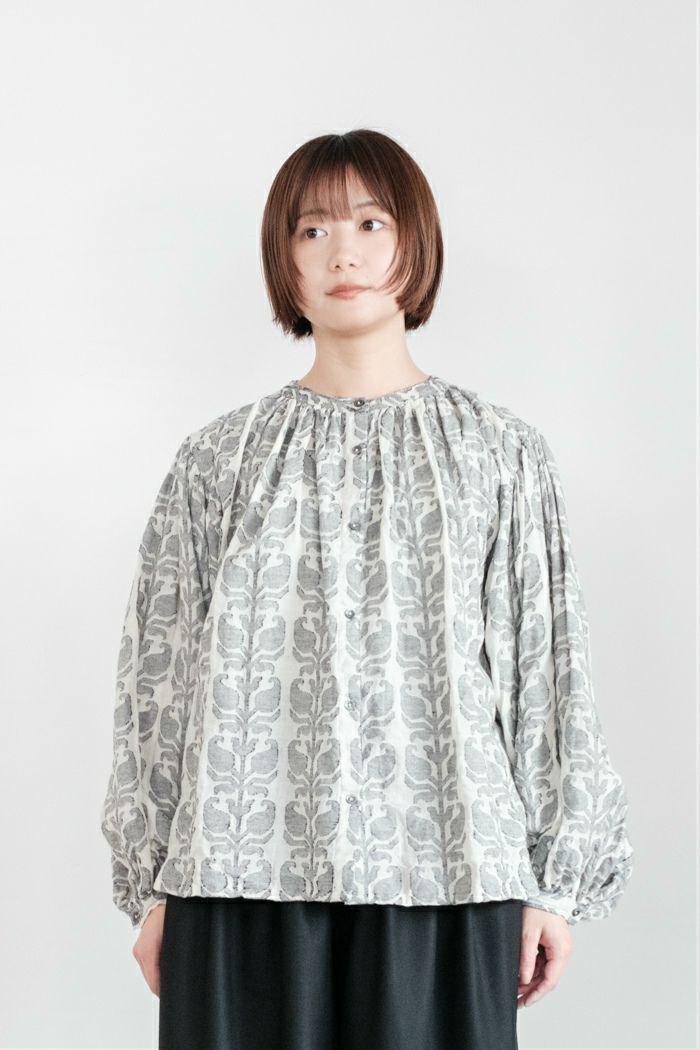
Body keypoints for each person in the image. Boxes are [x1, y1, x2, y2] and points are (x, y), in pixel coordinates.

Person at [100, 129, 634, 1050]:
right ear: (282, 259)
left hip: (450, 870)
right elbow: (161, 677)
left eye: (370, 223)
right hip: (237, 874)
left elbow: (548, 670)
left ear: (415, 240)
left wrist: (555, 882)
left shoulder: (500, 454)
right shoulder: (218, 460)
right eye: (311, 230)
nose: (341, 252)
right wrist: (151, 885)